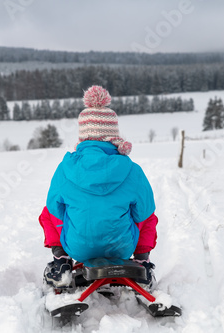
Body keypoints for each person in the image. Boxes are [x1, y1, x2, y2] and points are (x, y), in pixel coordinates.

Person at [39, 85, 158, 290]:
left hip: (78, 247)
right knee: (149, 215)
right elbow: (143, 212)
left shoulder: (65, 168)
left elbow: (55, 209)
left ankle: (61, 262)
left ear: (83, 135)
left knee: (47, 212)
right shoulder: (131, 169)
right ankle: (142, 264)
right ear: (113, 135)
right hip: (120, 247)